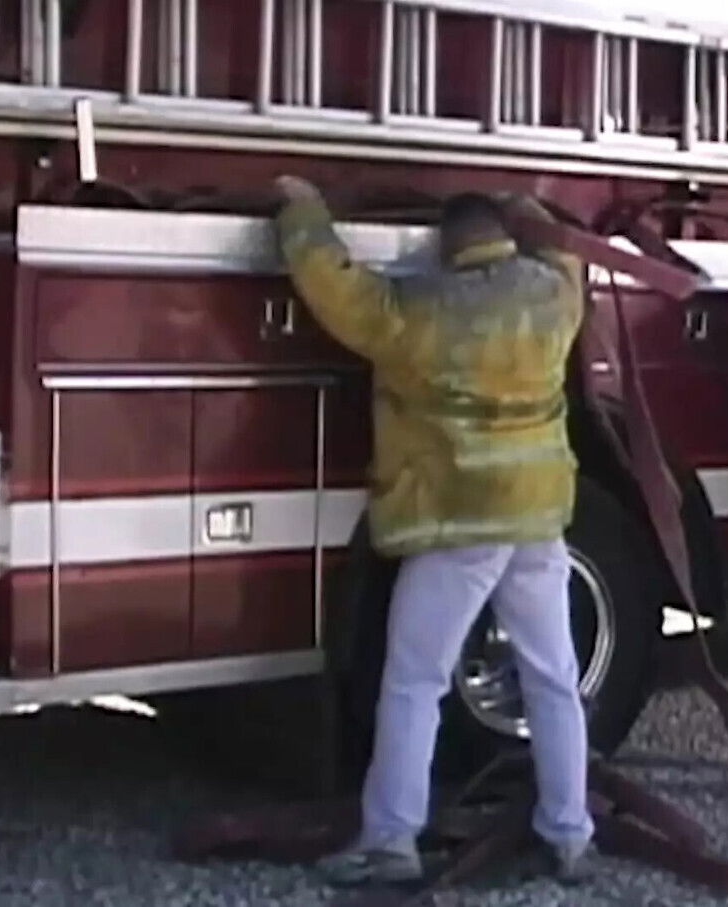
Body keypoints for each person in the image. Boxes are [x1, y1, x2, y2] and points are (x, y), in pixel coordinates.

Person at [270, 176, 595, 885]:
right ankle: (570, 833)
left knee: (416, 680)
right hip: (538, 519)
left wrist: (303, 208)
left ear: (448, 247)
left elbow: (337, 290)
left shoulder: (418, 310)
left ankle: (390, 839)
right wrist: (532, 209)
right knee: (552, 677)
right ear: (501, 238)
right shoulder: (554, 296)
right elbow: (568, 254)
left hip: (459, 523)